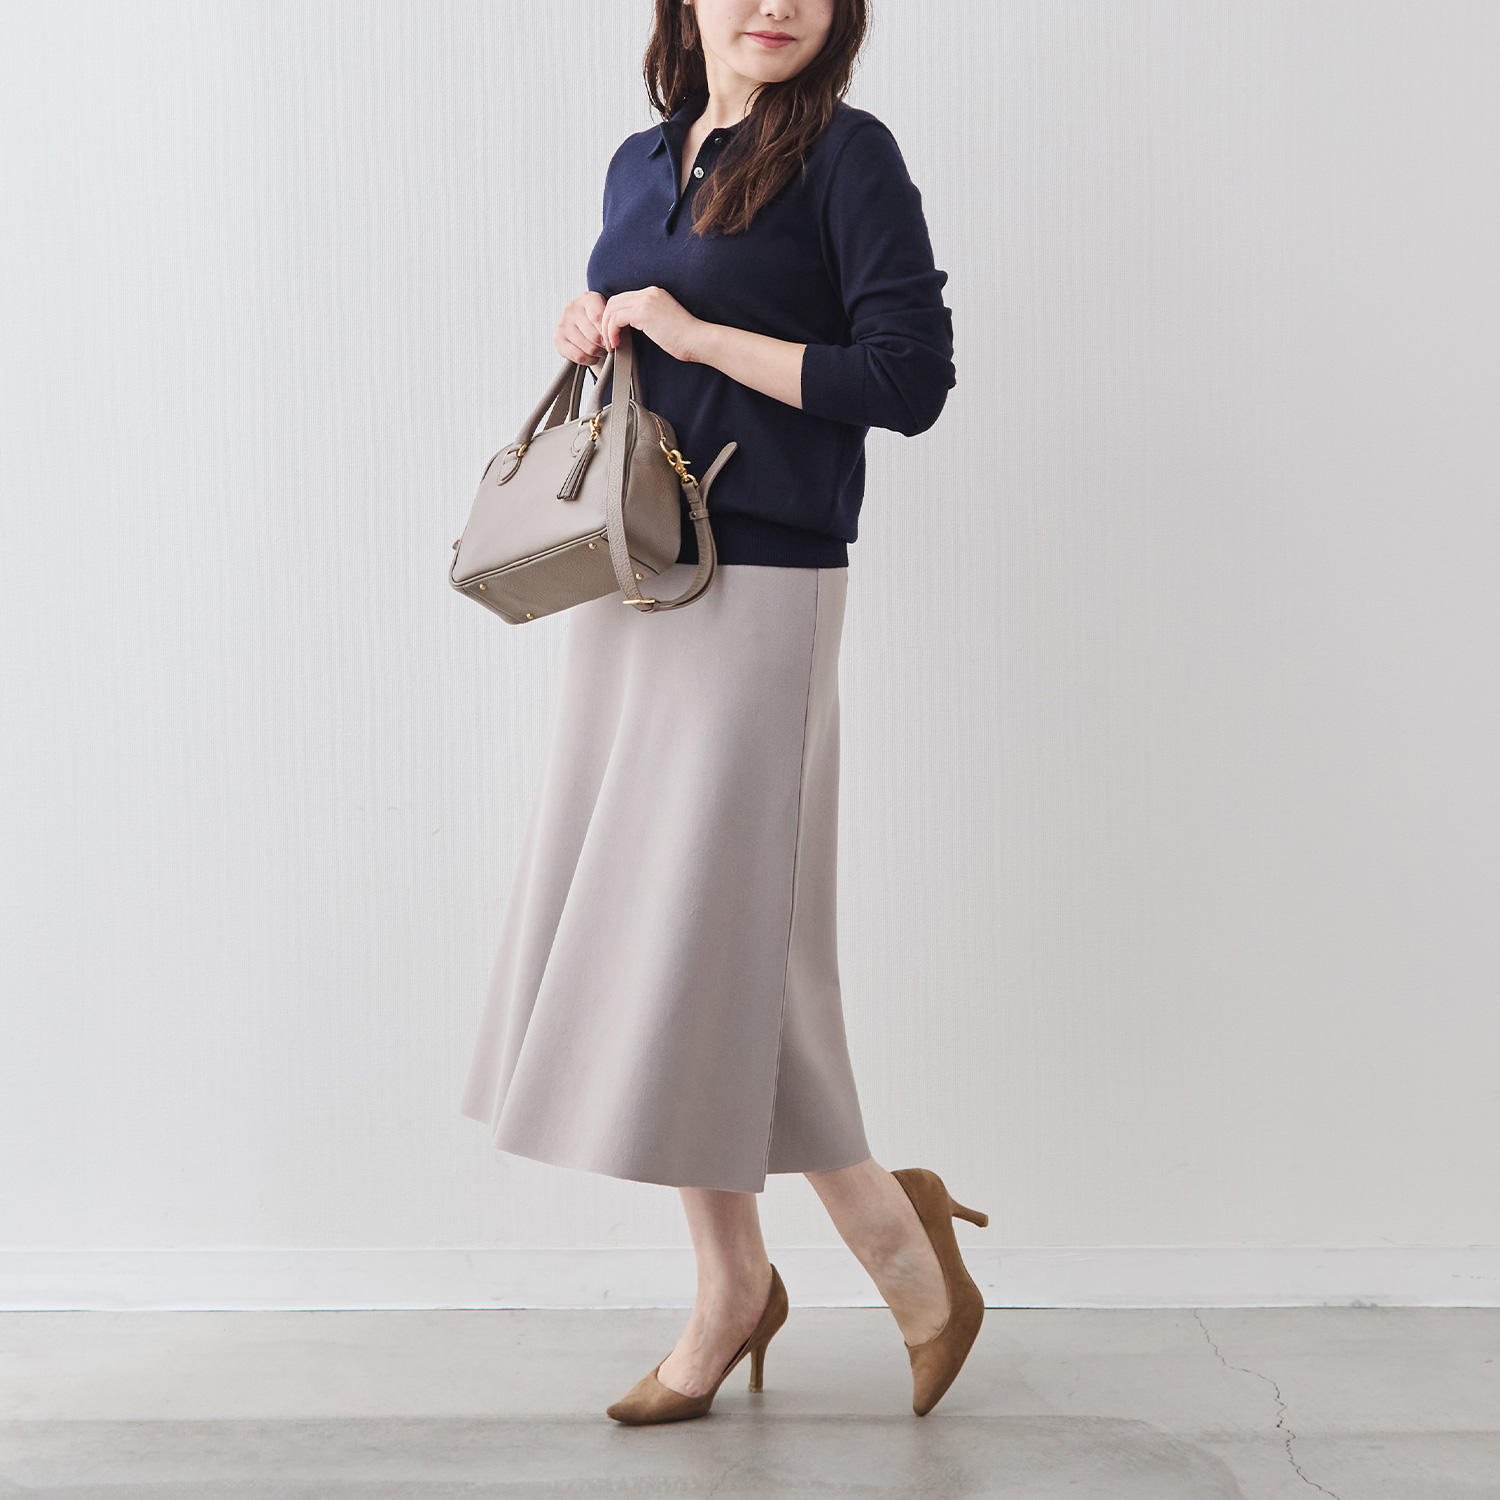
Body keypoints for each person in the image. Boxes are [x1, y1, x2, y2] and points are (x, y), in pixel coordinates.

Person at [459, 0, 986, 1423]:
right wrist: (597, 329)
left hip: (764, 580)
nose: (776, 5)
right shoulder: (643, 161)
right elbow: (650, 350)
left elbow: (908, 381)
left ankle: (880, 1231)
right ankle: (735, 1279)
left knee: (733, 931)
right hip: (632, 573)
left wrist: (696, 330)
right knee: (673, 939)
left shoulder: (848, 157)